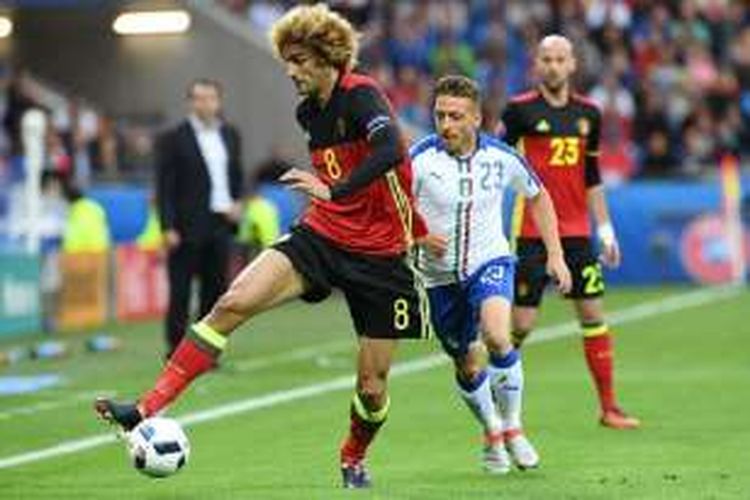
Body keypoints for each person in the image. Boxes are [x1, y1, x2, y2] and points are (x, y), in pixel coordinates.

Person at [95, 3, 430, 489]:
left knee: (373, 388)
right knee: (231, 303)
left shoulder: (362, 96)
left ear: (327, 57)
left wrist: (333, 189)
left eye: (299, 60)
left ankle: (353, 455)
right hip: (324, 234)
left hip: (383, 253)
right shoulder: (307, 111)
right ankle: (145, 408)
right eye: (287, 61)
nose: (290, 71)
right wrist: (329, 201)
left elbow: (389, 150)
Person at [411, 75, 571, 474]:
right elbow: (389, 210)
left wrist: (556, 253)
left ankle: (514, 428)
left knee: (498, 335)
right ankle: (493, 431)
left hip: (490, 260)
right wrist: (417, 234)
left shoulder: (501, 157)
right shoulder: (417, 160)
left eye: (455, 116)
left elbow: (538, 195)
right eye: (440, 115)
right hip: (437, 278)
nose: (445, 124)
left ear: (477, 118)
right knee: (466, 364)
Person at [501, 35, 641, 429]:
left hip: (577, 233)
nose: (553, 66)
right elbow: (497, 163)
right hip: (530, 231)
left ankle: (609, 407)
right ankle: (497, 404)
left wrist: (607, 228)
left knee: (594, 315)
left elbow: (591, 176)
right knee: (521, 326)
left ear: (573, 64)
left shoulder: (589, 114)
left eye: (560, 59)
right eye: (546, 59)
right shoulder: (519, 111)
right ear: (536, 64)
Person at [156, 78, 244, 356]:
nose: (205, 103)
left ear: (218, 102)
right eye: (199, 98)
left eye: (210, 98)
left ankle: (205, 354)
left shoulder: (230, 134)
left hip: (220, 224)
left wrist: (237, 203)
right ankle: (174, 352)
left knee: (215, 293)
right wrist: (167, 226)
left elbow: (236, 175)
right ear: (190, 102)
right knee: (180, 293)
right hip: (186, 225)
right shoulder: (173, 138)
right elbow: (165, 186)